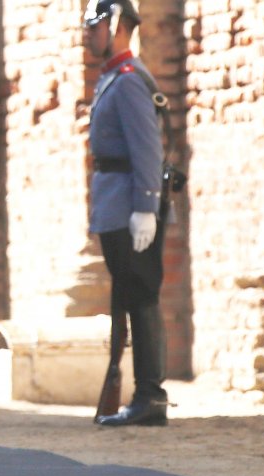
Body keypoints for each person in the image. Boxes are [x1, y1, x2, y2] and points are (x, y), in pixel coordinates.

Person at [82, 0, 169, 426]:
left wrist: (145, 208)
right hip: (115, 202)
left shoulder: (130, 80)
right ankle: (141, 396)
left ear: (115, 26)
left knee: (141, 297)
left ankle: (151, 396)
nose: (87, 34)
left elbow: (146, 150)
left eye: (93, 25)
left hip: (130, 205)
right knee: (129, 298)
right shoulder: (113, 77)